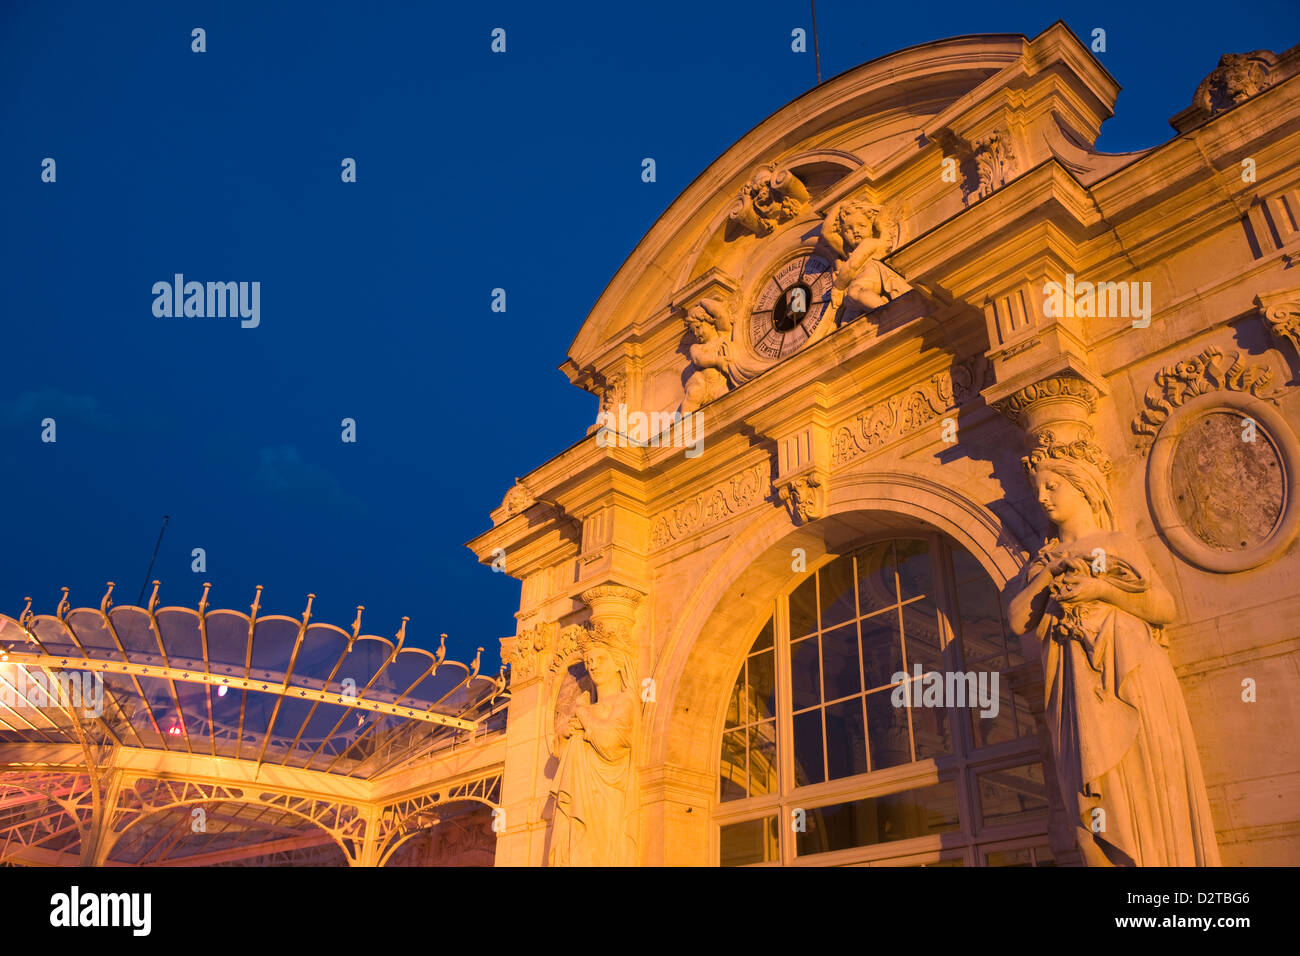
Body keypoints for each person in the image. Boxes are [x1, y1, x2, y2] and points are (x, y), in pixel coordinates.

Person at [1007, 431, 1221, 866]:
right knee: (1088, 819)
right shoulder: (1042, 562)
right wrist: (1050, 574)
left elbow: (1164, 607)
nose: (1043, 498)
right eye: (1038, 490)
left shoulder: (1117, 544)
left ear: (1082, 485)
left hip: (1129, 677)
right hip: (1074, 691)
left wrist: (1100, 588)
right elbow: (1017, 620)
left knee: (1139, 791)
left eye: (1053, 486)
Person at [546, 626, 640, 866]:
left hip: (607, 792)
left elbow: (609, 742)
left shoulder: (625, 700)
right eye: (589, 661)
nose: (593, 665)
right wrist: (564, 734)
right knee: (577, 843)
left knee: (600, 848)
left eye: (600, 659)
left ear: (618, 663)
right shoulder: (588, 704)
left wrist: (581, 713)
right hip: (581, 785)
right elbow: (561, 753)